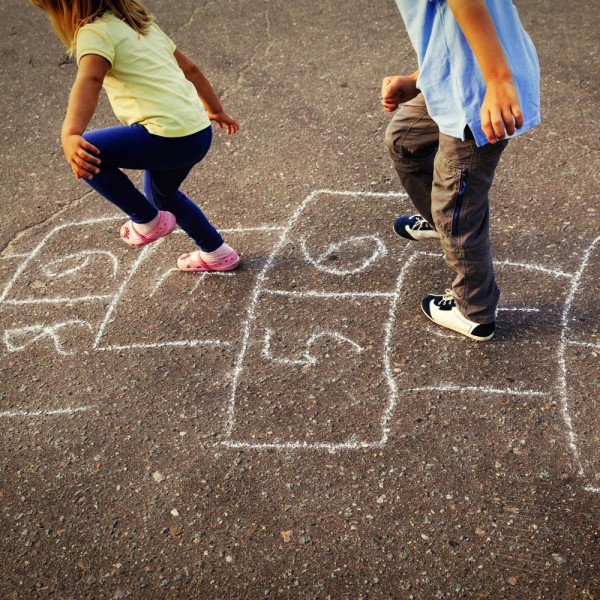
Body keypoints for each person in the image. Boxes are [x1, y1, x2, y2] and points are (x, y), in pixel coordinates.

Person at [29, 0, 241, 273]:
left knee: (87, 150)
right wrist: (216, 109)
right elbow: (191, 70)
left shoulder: (95, 32)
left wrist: (71, 133)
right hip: (197, 132)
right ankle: (217, 252)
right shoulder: (143, 25)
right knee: (163, 196)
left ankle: (146, 220)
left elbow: (90, 79)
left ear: (67, 9)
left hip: (167, 136)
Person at [382, 0, 540, 341]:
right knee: (405, 140)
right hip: (452, 77)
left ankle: (474, 310)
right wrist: (418, 78)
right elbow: (448, 24)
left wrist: (497, 80)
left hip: (481, 94)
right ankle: (441, 223)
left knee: (457, 208)